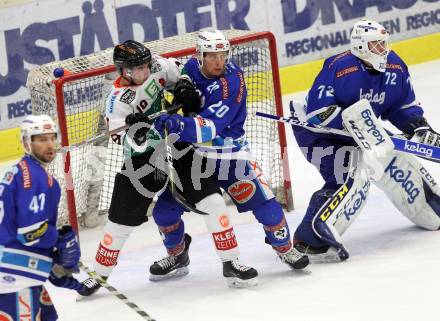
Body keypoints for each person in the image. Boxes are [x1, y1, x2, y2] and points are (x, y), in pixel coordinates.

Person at [80, 39, 257, 294]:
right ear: (123, 71)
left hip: (177, 142)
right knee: (120, 220)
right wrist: (136, 128)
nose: (144, 72)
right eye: (136, 69)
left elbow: (180, 71)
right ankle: (99, 273)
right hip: (144, 159)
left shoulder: (158, 66)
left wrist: (184, 88)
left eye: (145, 66)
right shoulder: (117, 100)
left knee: (213, 201)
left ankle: (231, 262)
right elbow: (119, 136)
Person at [154, 30, 309, 273]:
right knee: (164, 211)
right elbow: (186, 70)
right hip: (194, 158)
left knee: (266, 206)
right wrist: (184, 83)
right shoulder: (194, 64)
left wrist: (176, 124)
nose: (219, 61)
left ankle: (285, 248)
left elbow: (210, 129)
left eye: (223, 55)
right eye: (212, 56)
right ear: (201, 55)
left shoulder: (231, 84)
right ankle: (177, 254)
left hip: (229, 156)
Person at [288, 18, 440, 262]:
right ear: (361, 47)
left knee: (395, 159)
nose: (383, 49)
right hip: (318, 135)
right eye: (377, 45)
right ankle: (309, 238)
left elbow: (400, 105)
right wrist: (355, 124)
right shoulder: (339, 67)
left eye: (384, 43)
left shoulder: (396, 67)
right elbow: (318, 113)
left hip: (363, 132)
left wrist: (418, 126)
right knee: (350, 175)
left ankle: (431, 207)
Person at [0, 115, 87, 320]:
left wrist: (49, 261)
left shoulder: (21, 171)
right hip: (13, 274)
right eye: (41, 139)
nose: (49, 144)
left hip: (17, 267)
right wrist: (58, 241)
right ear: (26, 143)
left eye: (52, 138)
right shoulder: (35, 179)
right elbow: (30, 233)